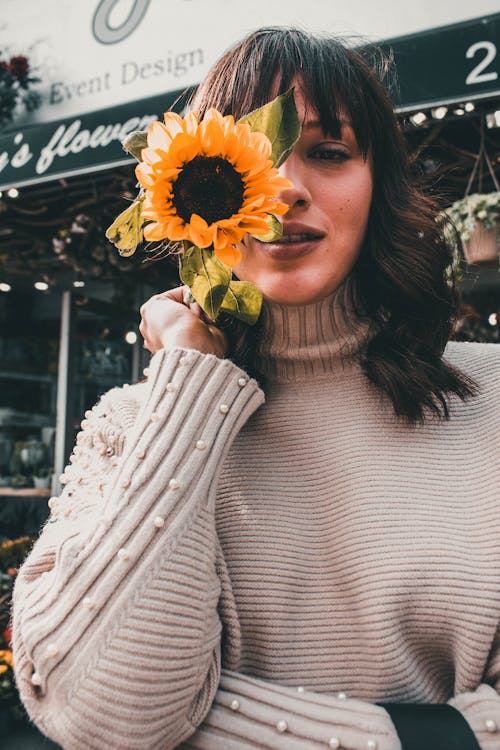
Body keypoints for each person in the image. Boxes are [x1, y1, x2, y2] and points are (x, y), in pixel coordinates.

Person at [11, 27, 500, 750]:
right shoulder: (131, 423)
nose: (282, 190)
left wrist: (200, 724)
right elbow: (99, 710)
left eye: (329, 152)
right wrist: (188, 385)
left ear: (380, 185)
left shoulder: (490, 397)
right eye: (241, 160)